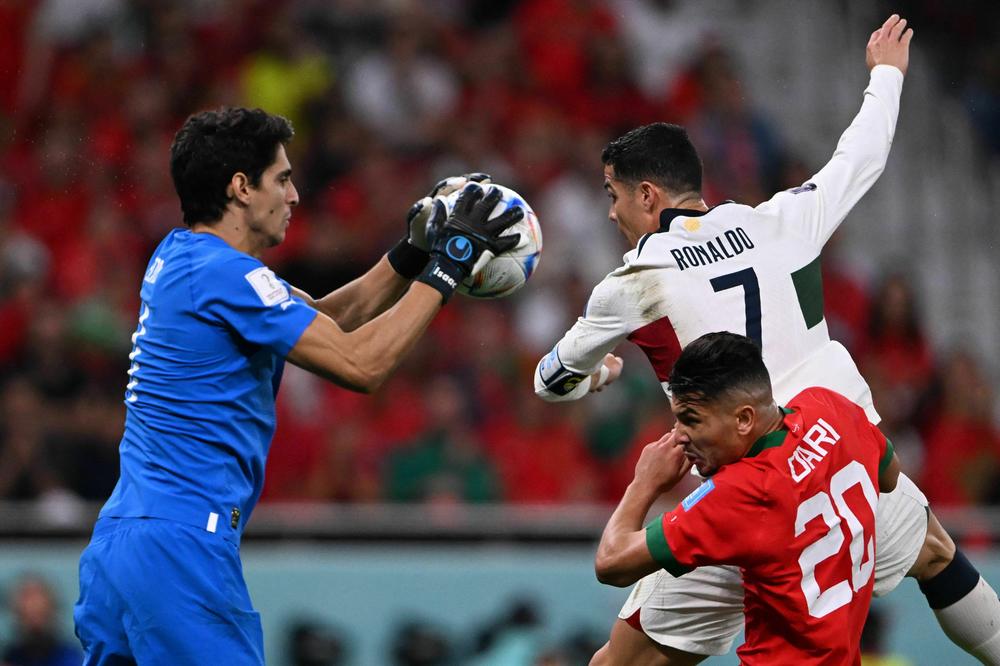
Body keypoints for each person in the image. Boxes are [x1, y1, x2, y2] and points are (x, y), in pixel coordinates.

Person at [534, 15, 1000, 665]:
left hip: (743, 494)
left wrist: (600, 374)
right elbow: (858, 158)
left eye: (613, 196)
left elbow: (551, 379)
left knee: (621, 663)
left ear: (647, 194)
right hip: (838, 451)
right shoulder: (776, 221)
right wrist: (887, 77)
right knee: (936, 553)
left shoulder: (632, 284)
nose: (611, 213)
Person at [72, 107, 522, 665]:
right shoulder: (225, 274)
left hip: (122, 544)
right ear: (241, 188)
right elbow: (362, 364)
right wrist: (450, 264)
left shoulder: (182, 257)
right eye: (282, 179)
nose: (295, 196)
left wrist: (411, 253)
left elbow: (332, 318)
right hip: (179, 549)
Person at [596, 331, 900, 664]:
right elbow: (889, 475)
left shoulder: (741, 492)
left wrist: (644, 483)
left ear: (743, 419)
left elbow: (611, 563)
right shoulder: (830, 406)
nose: (679, 436)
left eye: (691, 420)